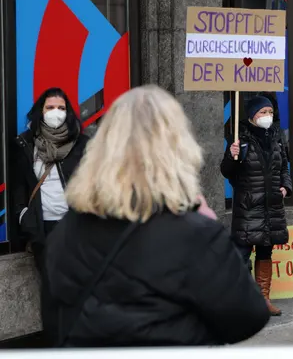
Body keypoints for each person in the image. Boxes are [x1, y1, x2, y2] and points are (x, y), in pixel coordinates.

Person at [46, 86, 270, 347]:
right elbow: (248, 315)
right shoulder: (194, 233)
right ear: (177, 145)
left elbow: (55, 325)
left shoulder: (65, 232)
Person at [12, 88, 89, 343]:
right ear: (40, 112)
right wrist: (23, 214)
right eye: (50, 107)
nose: (56, 112)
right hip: (43, 227)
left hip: (75, 225)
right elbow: (19, 186)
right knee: (52, 288)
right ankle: (58, 341)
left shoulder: (80, 143)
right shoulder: (26, 144)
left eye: (61, 108)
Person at [221, 95, 292, 316]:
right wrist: (232, 156)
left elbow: (284, 169)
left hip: (271, 206)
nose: (267, 117)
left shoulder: (277, 139)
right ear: (252, 116)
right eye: (263, 112)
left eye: (270, 112)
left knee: (265, 252)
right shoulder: (240, 140)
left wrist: (285, 188)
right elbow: (227, 172)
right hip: (249, 207)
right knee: (242, 253)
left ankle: (263, 299)